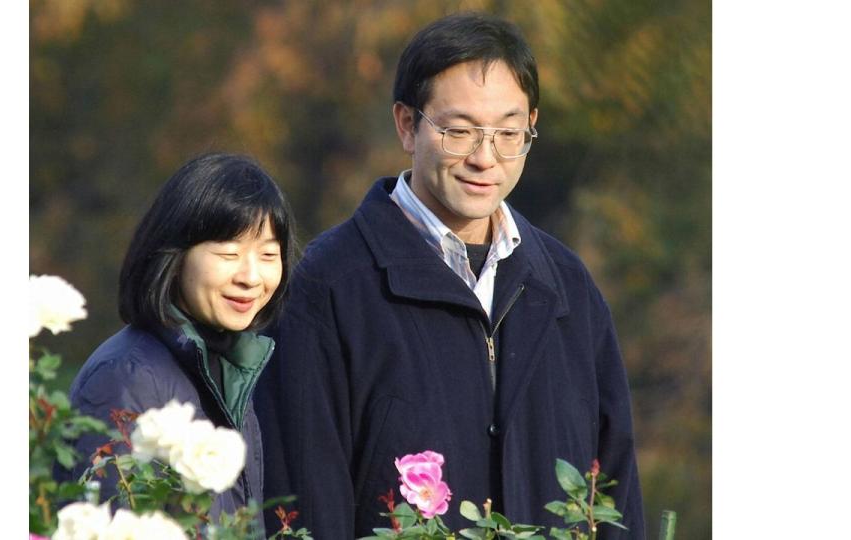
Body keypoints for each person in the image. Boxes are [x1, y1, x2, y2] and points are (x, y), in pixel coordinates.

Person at [255, 13, 645, 538]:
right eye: (459, 131)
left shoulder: (566, 289)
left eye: (508, 133)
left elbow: (614, 490)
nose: (485, 158)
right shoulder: (329, 286)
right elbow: (302, 504)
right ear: (406, 125)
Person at [57, 153, 294, 522]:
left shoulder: (230, 367)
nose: (251, 277)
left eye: (267, 254)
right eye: (228, 253)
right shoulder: (126, 377)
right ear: (175, 255)